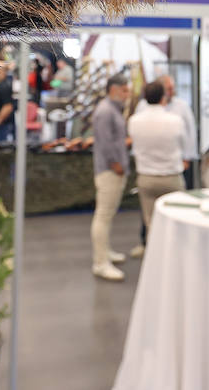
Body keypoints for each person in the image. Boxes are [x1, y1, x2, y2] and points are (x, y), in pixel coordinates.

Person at [127, 78, 186, 259]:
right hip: (171, 176)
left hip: (146, 178)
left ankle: (156, 262)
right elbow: (183, 144)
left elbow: (134, 145)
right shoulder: (175, 120)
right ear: (164, 98)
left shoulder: (134, 121)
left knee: (151, 224)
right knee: (177, 222)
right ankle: (176, 258)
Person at [90, 74, 131, 281]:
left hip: (113, 170)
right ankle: (100, 263)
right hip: (109, 171)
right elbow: (106, 143)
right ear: (114, 89)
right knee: (103, 216)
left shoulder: (111, 109)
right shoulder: (105, 111)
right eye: (124, 90)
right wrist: (116, 164)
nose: (127, 94)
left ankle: (105, 253)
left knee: (107, 215)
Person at [161, 75, 198, 189]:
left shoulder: (182, 106)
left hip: (179, 160)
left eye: (173, 88)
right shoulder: (148, 106)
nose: (172, 91)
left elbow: (190, 133)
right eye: (169, 88)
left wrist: (187, 157)